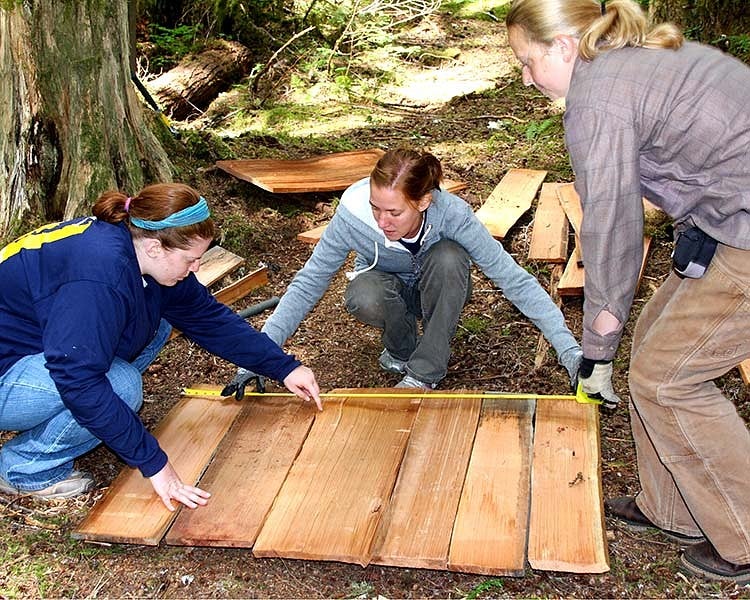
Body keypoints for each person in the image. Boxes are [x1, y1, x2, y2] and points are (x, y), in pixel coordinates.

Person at [505, 0, 750, 584]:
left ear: (565, 46)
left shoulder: (599, 97)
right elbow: (704, 157)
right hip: (731, 220)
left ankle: (743, 533)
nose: (525, 77)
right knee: (654, 344)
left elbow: (612, 225)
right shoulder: (623, 63)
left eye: (528, 61)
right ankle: (675, 509)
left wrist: (596, 346)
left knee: (667, 377)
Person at [0, 183, 321, 509]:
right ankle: (23, 467)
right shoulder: (99, 275)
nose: (196, 268)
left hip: (36, 346)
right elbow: (77, 380)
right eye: (191, 259)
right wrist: (153, 463)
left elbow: (207, 318)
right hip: (7, 368)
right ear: (156, 248)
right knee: (120, 387)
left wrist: (284, 367)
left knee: (156, 321)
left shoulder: (138, 251)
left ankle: (89, 417)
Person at [223, 147, 582, 399]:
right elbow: (307, 284)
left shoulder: (452, 214)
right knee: (365, 293)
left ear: (424, 201)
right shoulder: (352, 216)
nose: (382, 222)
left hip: (438, 287)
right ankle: (400, 351)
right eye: (376, 207)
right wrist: (257, 359)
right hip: (385, 289)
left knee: (448, 258)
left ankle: (424, 372)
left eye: (394, 212)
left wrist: (570, 354)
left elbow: (512, 278)